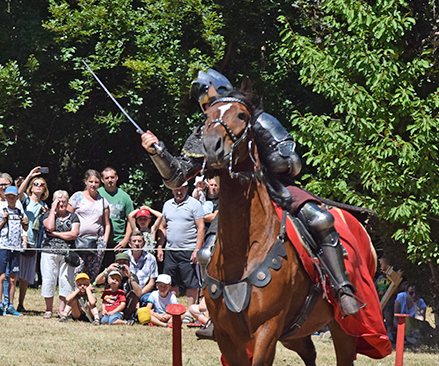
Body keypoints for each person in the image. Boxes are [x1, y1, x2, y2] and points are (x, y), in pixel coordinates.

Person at [141, 68, 360, 316]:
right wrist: (157, 152)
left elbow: (293, 162)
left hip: (274, 187)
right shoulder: (206, 131)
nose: (208, 110)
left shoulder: (255, 119)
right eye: (205, 107)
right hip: (234, 201)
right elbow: (178, 176)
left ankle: (342, 290)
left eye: (211, 102)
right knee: (205, 252)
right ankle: (217, 311)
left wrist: (257, 163)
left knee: (321, 219)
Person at [157, 180, 205, 311]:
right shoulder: (167, 205)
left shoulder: (194, 204)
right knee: (170, 282)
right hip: (170, 250)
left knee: (191, 283)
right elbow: (163, 227)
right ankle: (173, 309)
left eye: (182, 189)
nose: (179, 192)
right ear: (172, 190)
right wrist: (160, 247)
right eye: (176, 189)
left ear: (187, 188)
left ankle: (191, 311)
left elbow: (201, 227)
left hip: (188, 250)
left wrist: (197, 249)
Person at [40, 190, 80, 319]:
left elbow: (74, 234)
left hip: (67, 253)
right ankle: (49, 309)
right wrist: (52, 209)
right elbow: (50, 227)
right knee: (48, 279)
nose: (61, 204)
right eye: (58, 201)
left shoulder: (74, 216)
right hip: (48, 252)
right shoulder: (47, 214)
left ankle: (61, 310)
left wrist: (57, 234)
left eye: (64, 201)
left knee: (65, 280)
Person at [16, 167, 49, 312]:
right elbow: (18, 193)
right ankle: (8, 303)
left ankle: (21, 303)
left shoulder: (44, 207)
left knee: (25, 277)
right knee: (13, 274)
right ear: (31, 187)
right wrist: (30, 175)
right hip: (18, 240)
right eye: (36, 184)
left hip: (33, 243)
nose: (39, 186)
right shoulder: (26, 201)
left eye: (42, 185)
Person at [0, 185, 28, 316]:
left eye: (14, 197)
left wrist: (26, 223)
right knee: (1, 276)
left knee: (13, 278)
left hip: (16, 248)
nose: (11, 199)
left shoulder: (20, 212)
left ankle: (11, 305)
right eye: (9, 197)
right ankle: (0, 305)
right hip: (3, 247)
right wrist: (3, 220)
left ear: (17, 197)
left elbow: (25, 228)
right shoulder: (1, 211)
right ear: (5, 197)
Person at [68, 169, 110, 279]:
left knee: (92, 272)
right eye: (91, 182)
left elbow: (107, 224)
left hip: (96, 242)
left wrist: (104, 242)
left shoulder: (103, 201)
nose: (93, 185)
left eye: (96, 182)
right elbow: (68, 217)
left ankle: (90, 293)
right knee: (78, 269)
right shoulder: (77, 197)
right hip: (78, 240)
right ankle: (76, 294)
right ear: (86, 181)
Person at [98, 166, 134, 267]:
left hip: (118, 243)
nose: (110, 180)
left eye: (112, 177)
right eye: (107, 178)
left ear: (117, 178)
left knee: (118, 274)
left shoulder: (124, 197)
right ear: (102, 180)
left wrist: (125, 240)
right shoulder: (97, 194)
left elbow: (131, 220)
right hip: (100, 241)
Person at [95, 251, 141, 322]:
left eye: (124, 263)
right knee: (101, 317)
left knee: (133, 294)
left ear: (128, 264)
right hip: (110, 304)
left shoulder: (132, 276)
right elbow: (97, 281)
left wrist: (130, 277)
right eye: (119, 263)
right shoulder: (112, 275)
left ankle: (126, 316)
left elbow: (139, 293)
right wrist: (107, 270)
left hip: (125, 306)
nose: (122, 265)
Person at [127, 230, 158, 303]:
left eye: (139, 241)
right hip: (127, 292)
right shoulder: (124, 258)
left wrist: (138, 295)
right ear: (130, 244)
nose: (137, 244)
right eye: (134, 241)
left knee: (149, 298)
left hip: (143, 293)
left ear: (144, 243)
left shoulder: (151, 258)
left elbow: (151, 283)